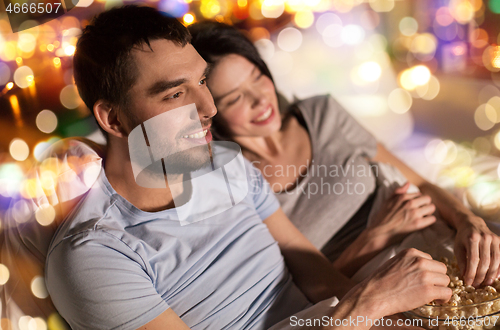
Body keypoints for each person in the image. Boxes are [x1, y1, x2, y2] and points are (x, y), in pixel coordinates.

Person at [45, 5, 452, 330]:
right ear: (113, 120)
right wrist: (371, 303)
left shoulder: (227, 167)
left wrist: (392, 317)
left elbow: (319, 280)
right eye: (175, 95)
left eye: (202, 82)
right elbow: (355, 304)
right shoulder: (95, 255)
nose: (208, 109)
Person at [189, 21, 500, 284]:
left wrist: (468, 221)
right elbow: (297, 292)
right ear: (211, 113)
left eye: (257, 78)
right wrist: (376, 236)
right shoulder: (237, 183)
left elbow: (420, 183)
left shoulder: (322, 114)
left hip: (442, 241)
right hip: (377, 288)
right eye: (234, 98)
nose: (260, 99)